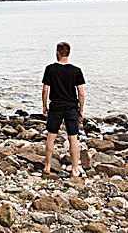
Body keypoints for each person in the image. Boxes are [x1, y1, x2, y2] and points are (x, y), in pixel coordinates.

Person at [42, 42, 86, 178]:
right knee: (73, 138)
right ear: (69, 53)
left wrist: (44, 106)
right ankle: (74, 169)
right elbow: (81, 93)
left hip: (55, 107)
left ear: (57, 52)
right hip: (71, 107)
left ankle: (48, 166)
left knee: (51, 136)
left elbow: (45, 89)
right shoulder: (76, 70)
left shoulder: (50, 69)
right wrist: (81, 110)